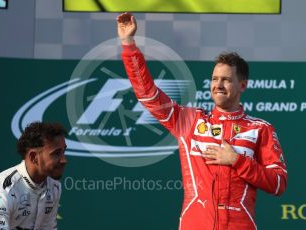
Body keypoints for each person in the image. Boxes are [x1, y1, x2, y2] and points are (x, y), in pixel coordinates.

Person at [117, 12, 287, 230]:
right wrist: (128, 44)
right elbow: (147, 93)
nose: (218, 85)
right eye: (215, 79)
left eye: (226, 80)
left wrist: (237, 160)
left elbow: (279, 184)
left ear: (242, 85)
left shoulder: (260, 129)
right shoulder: (189, 121)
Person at [0, 122, 68, 230]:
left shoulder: (54, 186)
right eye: (56, 153)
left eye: (64, 152)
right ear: (33, 157)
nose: (64, 160)